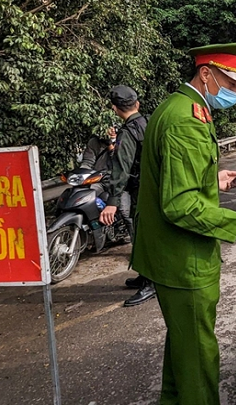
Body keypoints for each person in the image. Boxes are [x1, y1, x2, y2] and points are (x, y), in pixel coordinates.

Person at [130, 42, 236, 405]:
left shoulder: (179, 107)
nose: (235, 93)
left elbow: (174, 178)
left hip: (172, 255)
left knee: (183, 351)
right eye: (230, 85)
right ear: (206, 73)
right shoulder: (187, 119)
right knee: (199, 358)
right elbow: (180, 203)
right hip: (184, 259)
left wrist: (211, 180)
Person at [97, 85, 152, 307]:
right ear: (137, 104)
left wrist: (112, 201)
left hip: (141, 190)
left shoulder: (128, 132)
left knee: (143, 235)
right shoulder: (148, 123)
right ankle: (145, 276)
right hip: (152, 187)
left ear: (115, 109)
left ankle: (151, 283)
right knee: (142, 233)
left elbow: (121, 167)